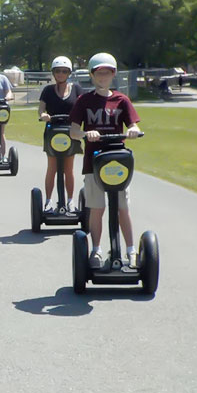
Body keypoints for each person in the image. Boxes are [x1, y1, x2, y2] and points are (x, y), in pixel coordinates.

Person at [69, 52, 142, 271]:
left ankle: (131, 250)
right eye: (99, 72)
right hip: (94, 162)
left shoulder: (121, 99)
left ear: (113, 74)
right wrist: (85, 134)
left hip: (118, 162)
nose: (103, 76)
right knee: (97, 208)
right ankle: (97, 250)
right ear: (92, 75)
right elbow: (73, 131)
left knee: (122, 208)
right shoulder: (84, 100)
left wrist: (133, 131)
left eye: (107, 72)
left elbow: (134, 125)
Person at [37, 55, 84, 213]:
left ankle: (70, 201)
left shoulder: (76, 88)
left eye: (64, 71)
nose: (61, 74)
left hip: (71, 132)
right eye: (58, 71)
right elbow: (41, 109)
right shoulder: (48, 90)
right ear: (53, 72)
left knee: (68, 169)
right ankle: (48, 202)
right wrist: (43, 115)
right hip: (52, 132)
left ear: (69, 73)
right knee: (52, 168)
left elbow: (83, 107)